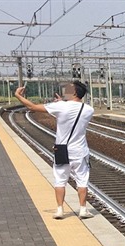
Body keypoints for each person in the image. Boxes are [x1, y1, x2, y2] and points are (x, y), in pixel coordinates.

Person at [14, 81, 95, 220]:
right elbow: (71, 115)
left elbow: (32, 106)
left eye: (69, 88)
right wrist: (60, 104)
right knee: (82, 181)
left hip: (62, 150)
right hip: (80, 151)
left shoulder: (60, 107)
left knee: (60, 180)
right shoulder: (89, 110)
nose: (65, 90)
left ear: (74, 92)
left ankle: (59, 210)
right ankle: (83, 209)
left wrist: (18, 95)